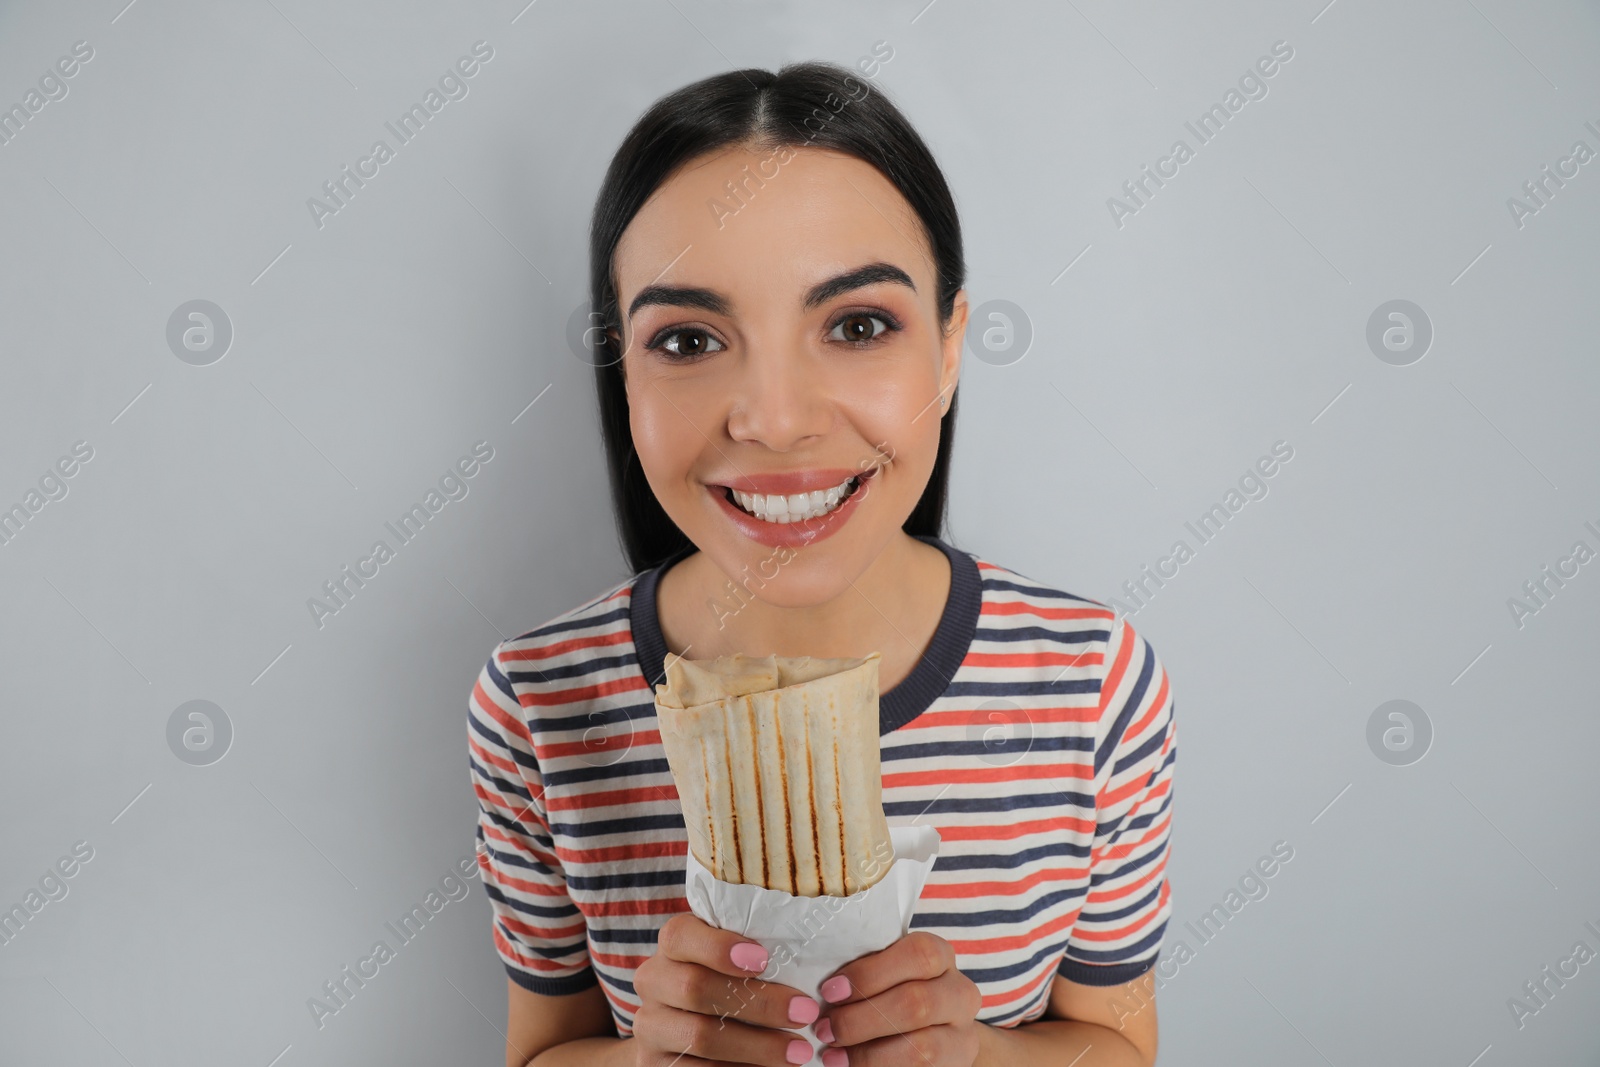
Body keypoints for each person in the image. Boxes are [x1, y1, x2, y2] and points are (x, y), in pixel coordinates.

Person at [467, 60, 1176, 1067]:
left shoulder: (1090, 680)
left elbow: (1119, 1048)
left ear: (946, 347)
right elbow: (543, 1054)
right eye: (687, 338)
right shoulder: (539, 702)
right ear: (621, 369)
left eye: (856, 324)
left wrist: (977, 1052)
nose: (777, 419)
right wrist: (644, 1059)